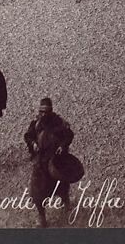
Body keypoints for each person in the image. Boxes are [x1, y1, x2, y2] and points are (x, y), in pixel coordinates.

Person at [24, 97, 75, 228]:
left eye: (46, 111)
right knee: (37, 190)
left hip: (57, 161)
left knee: (61, 184)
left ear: (51, 111)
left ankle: (65, 201)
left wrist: (62, 146)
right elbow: (28, 136)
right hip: (41, 162)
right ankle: (42, 217)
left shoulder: (59, 123)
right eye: (41, 111)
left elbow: (69, 135)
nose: (43, 114)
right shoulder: (36, 124)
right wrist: (33, 143)